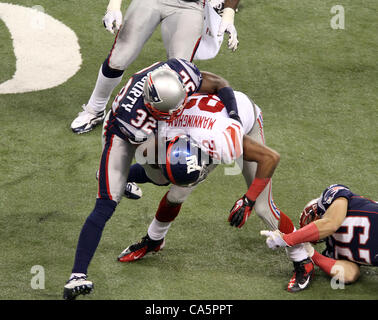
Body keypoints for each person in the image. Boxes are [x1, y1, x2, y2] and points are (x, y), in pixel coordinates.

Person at [63, 58, 242, 300]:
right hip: (121, 134)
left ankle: (117, 176)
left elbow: (220, 83)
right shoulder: (133, 119)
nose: (176, 113)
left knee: (167, 177)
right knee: (108, 202)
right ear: (153, 106)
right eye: (170, 111)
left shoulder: (182, 74)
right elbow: (146, 150)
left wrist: (234, 117)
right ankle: (77, 276)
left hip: (153, 125)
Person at [118, 91, 315, 293]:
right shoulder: (165, 129)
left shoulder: (223, 143)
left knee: (263, 208)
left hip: (238, 123)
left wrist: (248, 200)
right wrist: (119, 175)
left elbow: (270, 158)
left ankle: (302, 259)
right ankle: (154, 240)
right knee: (176, 194)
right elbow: (151, 169)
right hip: (200, 128)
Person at [71, 0, 240, 134]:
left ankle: (167, 123)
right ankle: (95, 108)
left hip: (190, 6)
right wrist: (114, 5)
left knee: (179, 73)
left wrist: (228, 14)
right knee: (119, 58)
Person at [260, 184, 378, 284]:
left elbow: (330, 224)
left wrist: (287, 238)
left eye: (311, 220)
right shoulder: (331, 252)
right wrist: (310, 253)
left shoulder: (333, 194)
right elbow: (349, 275)